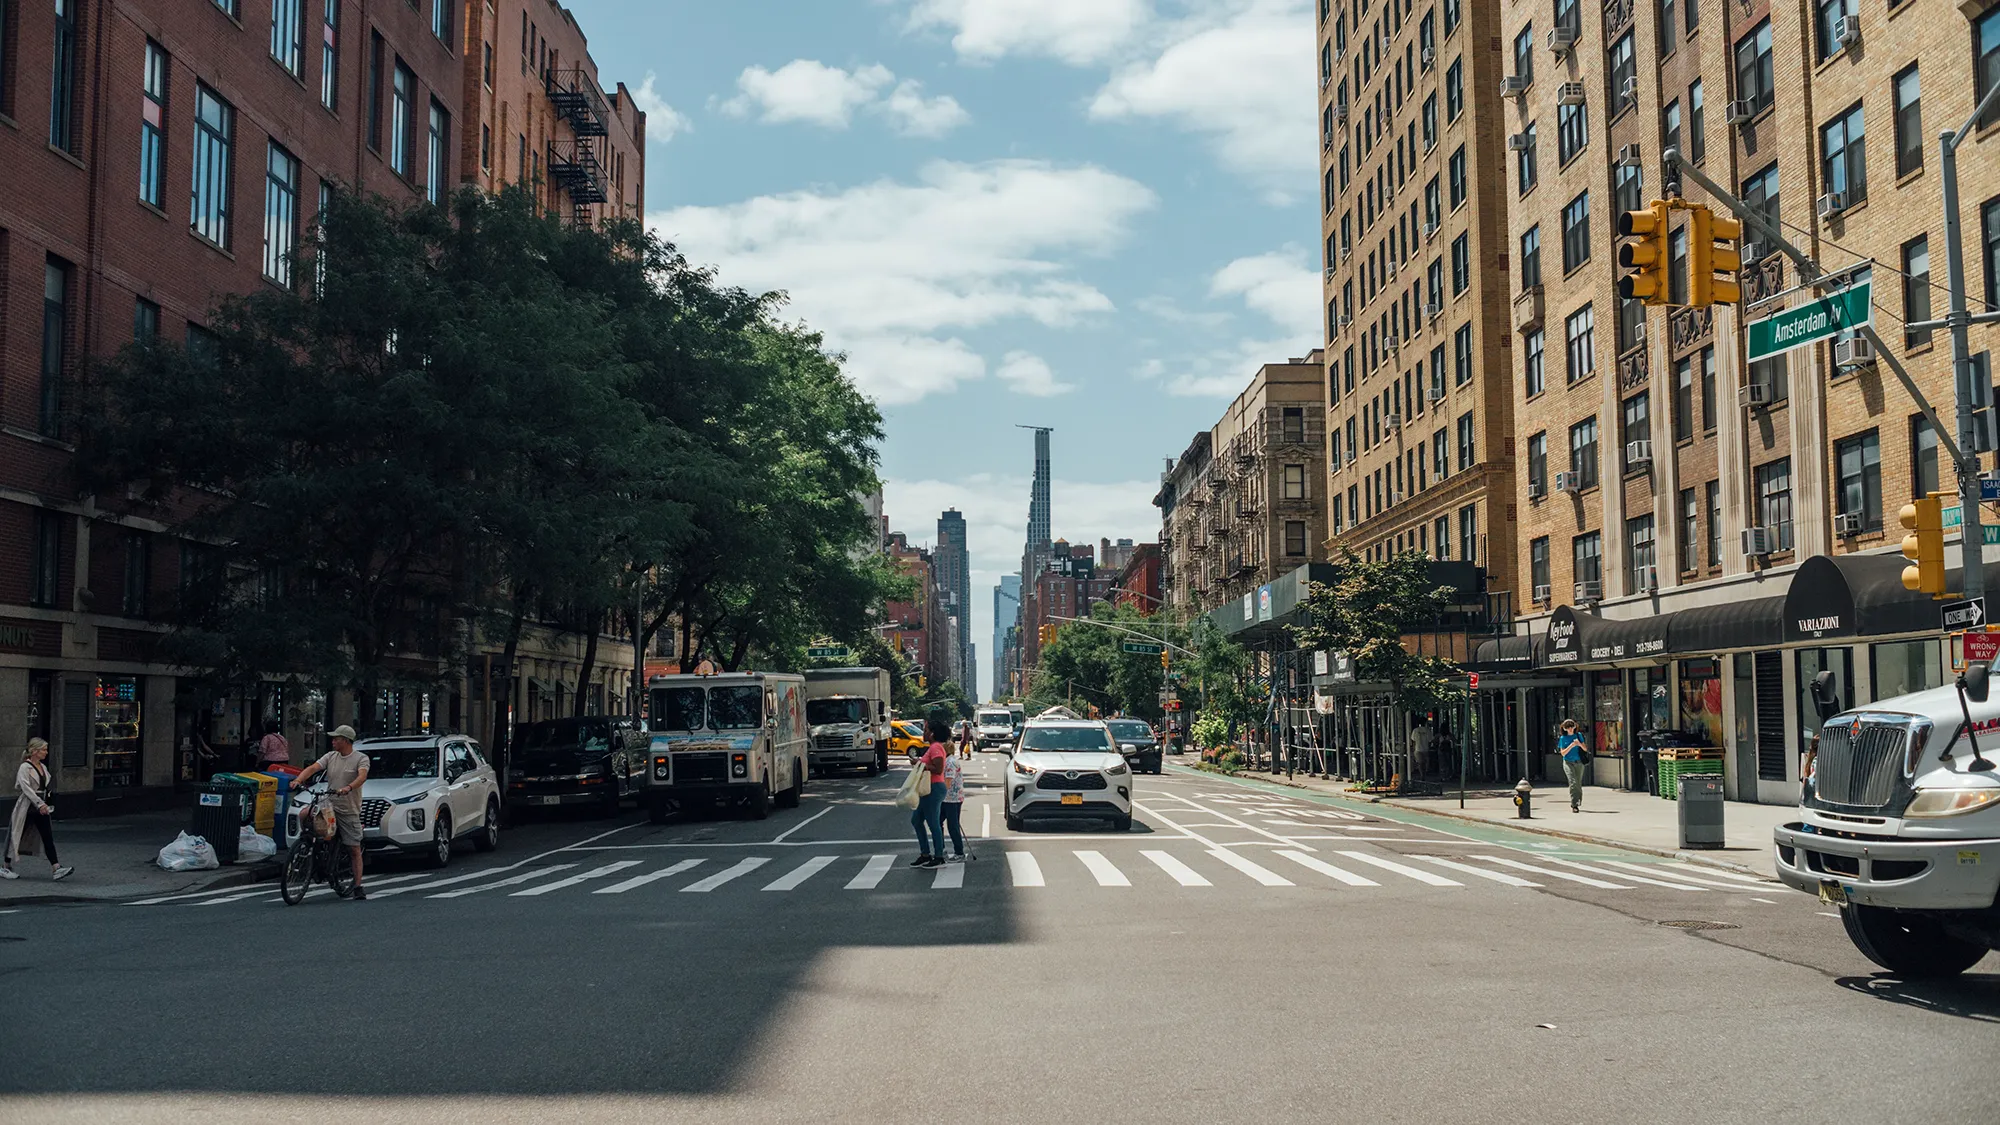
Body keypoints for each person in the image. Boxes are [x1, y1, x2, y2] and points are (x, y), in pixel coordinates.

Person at [291, 725, 371, 899]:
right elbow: (313, 768)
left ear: (346, 741)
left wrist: (348, 788)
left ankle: (358, 886)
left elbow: (362, 776)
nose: (333, 741)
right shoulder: (330, 756)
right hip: (329, 804)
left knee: (354, 849)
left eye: (337, 738)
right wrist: (298, 779)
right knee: (305, 813)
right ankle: (309, 847)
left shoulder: (361, 758)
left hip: (348, 808)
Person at [3, 738, 71, 881]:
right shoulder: (24, 768)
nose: (46, 752)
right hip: (28, 806)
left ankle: (56, 867)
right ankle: (5, 866)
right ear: (34, 751)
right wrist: (40, 804)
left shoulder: (43, 768)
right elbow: (26, 789)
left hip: (42, 806)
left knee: (47, 836)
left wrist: (45, 803)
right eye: (44, 750)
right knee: (16, 834)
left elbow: (45, 786)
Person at [908, 717, 951, 868]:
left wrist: (920, 764)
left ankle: (938, 855)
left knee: (933, 822)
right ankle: (925, 854)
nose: (923, 733)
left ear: (932, 734)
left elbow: (938, 769)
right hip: (927, 788)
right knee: (916, 820)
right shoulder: (933, 747)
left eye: (926, 731)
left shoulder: (936, 748)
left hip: (933, 788)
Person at [938, 749, 968, 863]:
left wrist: (937, 793)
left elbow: (947, 782)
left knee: (953, 825)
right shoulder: (948, 761)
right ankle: (941, 849)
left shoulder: (950, 762)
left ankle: (959, 852)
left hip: (952, 798)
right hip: (948, 798)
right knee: (938, 821)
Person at [1558, 719, 1589, 813]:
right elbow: (1563, 753)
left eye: (1572, 727)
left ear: (1575, 727)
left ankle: (1578, 800)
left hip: (1579, 762)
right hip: (1568, 762)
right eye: (1568, 727)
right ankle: (1574, 804)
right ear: (1564, 729)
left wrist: (1579, 744)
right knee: (1573, 782)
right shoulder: (1563, 738)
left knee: (1578, 783)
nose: (1570, 729)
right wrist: (1571, 746)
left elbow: (1585, 749)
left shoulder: (1578, 736)